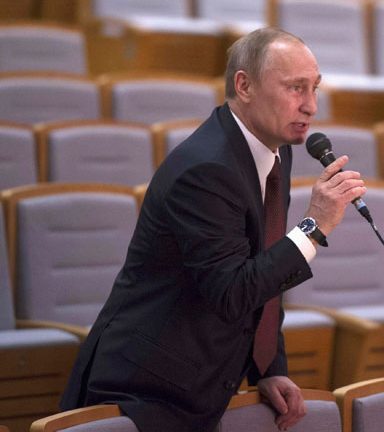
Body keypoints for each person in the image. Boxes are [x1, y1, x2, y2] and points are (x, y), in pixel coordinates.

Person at [60, 28, 366, 432]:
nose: (310, 105)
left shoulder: (277, 153)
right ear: (244, 86)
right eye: (295, 88)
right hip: (145, 391)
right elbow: (232, 290)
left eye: (314, 88)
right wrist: (313, 227)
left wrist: (268, 367)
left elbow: (263, 267)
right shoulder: (206, 169)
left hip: (201, 382)